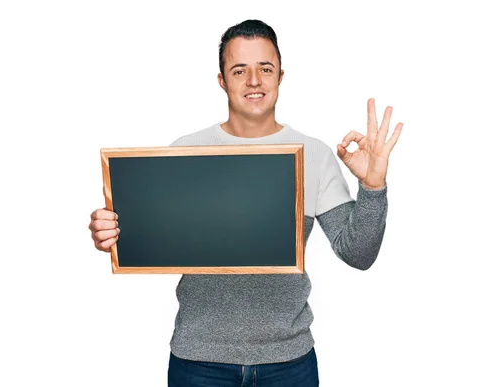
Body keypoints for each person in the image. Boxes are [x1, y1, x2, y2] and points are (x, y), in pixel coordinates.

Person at [88, 19, 402, 387]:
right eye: (240, 70)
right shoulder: (184, 153)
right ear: (222, 81)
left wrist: (372, 184)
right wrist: (111, 231)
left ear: (280, 76)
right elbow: (147, 235)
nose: (254, 81)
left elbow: (359, 254)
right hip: (199, 361)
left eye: (265, 69)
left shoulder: (314, 155)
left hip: (289, 362)